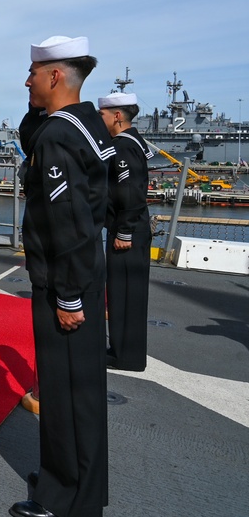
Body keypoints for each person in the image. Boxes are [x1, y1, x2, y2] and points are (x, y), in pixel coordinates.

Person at [12, 36, 113, 517]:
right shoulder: (84, 124)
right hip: (86, 272)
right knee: (81, 391)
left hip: (64, 279)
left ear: (55, 75)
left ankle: (65, 499)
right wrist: (38, 105)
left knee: (67, 392)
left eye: (34, 73)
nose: (26, 80)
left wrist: (68, 296)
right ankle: (75, 489)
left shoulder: (58, 136)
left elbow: (67, 220)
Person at [98, 92, 154, 371]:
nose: (101, 120)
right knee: (126, 294)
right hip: (131, 227)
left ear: (117, 116)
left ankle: (124, 356)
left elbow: (131, 192)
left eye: (103, 115)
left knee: (124, 293)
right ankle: (123, 350)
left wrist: (124, 232)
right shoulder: (134, 142)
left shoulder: (122, 146)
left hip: (127, 231)